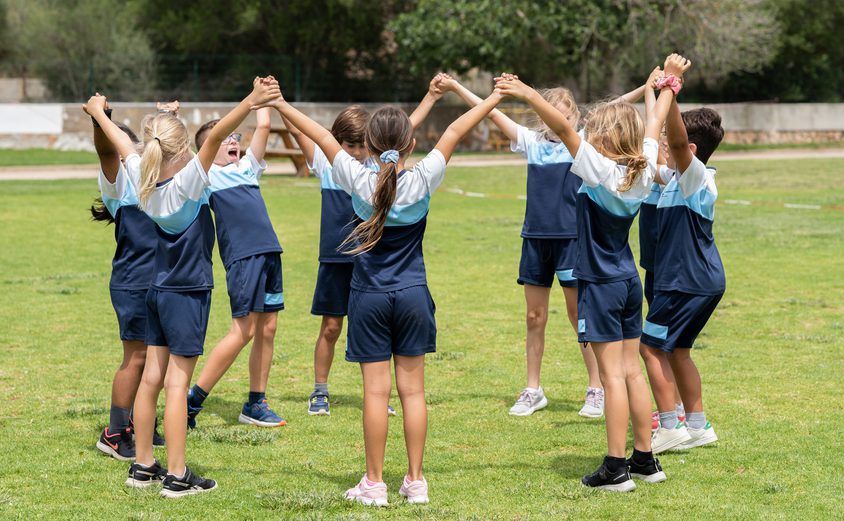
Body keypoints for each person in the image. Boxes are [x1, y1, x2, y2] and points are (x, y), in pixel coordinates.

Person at [264, 81, 504, 506]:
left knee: (375, 394)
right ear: (411, 143)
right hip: (413, 295)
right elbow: (454, 132)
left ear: (369, 145)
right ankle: (415, 481)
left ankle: (373, 484)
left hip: (370, 296)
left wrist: (280, 102)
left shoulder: (357, 178)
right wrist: (495, 99)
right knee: (413, 393)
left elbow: (320, 135)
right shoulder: (423, 177)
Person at [495, 53, 689, 492]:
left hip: (599, 285)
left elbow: (563, 129)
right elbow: (655, 123)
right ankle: (646, 459)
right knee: (633, 372)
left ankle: (616, 467)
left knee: (612, 376)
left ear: (604, 138)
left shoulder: (598, 169)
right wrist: (665, 83)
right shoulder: (641, 166)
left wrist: (526, 94)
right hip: (626, 281)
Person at [83, 76, 280, 497]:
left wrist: (99, 112)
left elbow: (123, 144)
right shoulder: (189, 182)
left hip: (155, 289)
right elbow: (219, 135)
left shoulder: (140, 176)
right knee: (177, 383)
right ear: (181, 149)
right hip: (187, 292)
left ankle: (142, 465)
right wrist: (252, 99)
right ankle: (176, 474)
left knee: (152, 377)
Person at [283, 73, 449, 416]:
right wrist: (279, 105)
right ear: (338, 144)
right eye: (349, 145)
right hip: (336, 258)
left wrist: (430, 99)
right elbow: (305, 132)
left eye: (362, 144)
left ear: (371, 146)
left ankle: (378, 393)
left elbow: (401, 131)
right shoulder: (332, 167)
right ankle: (320, 389)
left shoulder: (375, 171)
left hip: (371, 266)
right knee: (330, 327)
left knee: (378, 327)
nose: (356, 151)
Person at [438, 76, 603, 418]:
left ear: (576, 119)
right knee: (533, 317)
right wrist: (456, 87)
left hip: (572, 242)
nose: (559, 121)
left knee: (579, 317)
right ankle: (533, 389)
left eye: (566, 115)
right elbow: (488, 112)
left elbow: (614, 108)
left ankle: (596, 387)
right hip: (535, 241)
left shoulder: (582, 143)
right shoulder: (532, 142)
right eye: (552, 115)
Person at [186, 106, 286, 429]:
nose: (233, 141)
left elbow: (264, 126)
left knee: (267, 328)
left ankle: (256, 403)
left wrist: (267, 99)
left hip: (270, 253)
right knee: (243, 331)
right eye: (224, 138)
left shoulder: (246, 168)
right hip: (244, 259)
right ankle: (192, 401)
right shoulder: (207, 176)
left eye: (235, 136)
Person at [640, 77, 726, 453]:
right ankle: (698, 425)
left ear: (690, 149)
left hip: (685, 281)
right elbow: (653, 154)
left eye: (672, 144)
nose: (665, 147)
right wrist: (652, 96)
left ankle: (670, 425)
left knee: (650, 347)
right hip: (699, 280)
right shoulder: (675, 178)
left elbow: (673, 143)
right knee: (677, 350)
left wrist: (671, 90)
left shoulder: (694, 179)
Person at [91, 103, 162, 460]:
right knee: (136, 357)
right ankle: (115, 433)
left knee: (156, 355)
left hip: (160, 280)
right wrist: (99, 118)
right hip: (133, 282)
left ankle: (140, 421)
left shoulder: (153, 181)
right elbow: (106, 148)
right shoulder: (120, 186)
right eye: (125, 150)